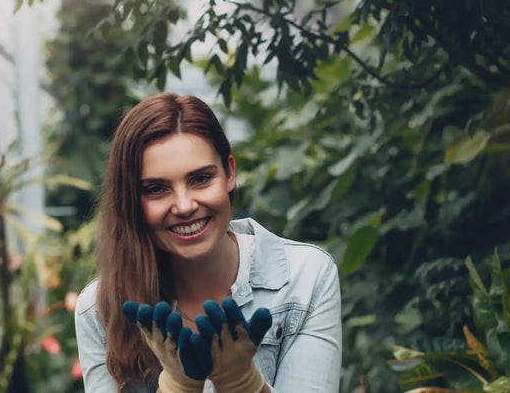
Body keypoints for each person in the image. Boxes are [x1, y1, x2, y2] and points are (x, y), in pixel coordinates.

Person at [74, 93, 342, 392]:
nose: (185, 205)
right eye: (156, 188)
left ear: (229, 173)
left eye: (200, 179)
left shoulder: (305, 279)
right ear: (130, 200)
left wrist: (243, 384)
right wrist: (177, 387)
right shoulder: (101, 308)